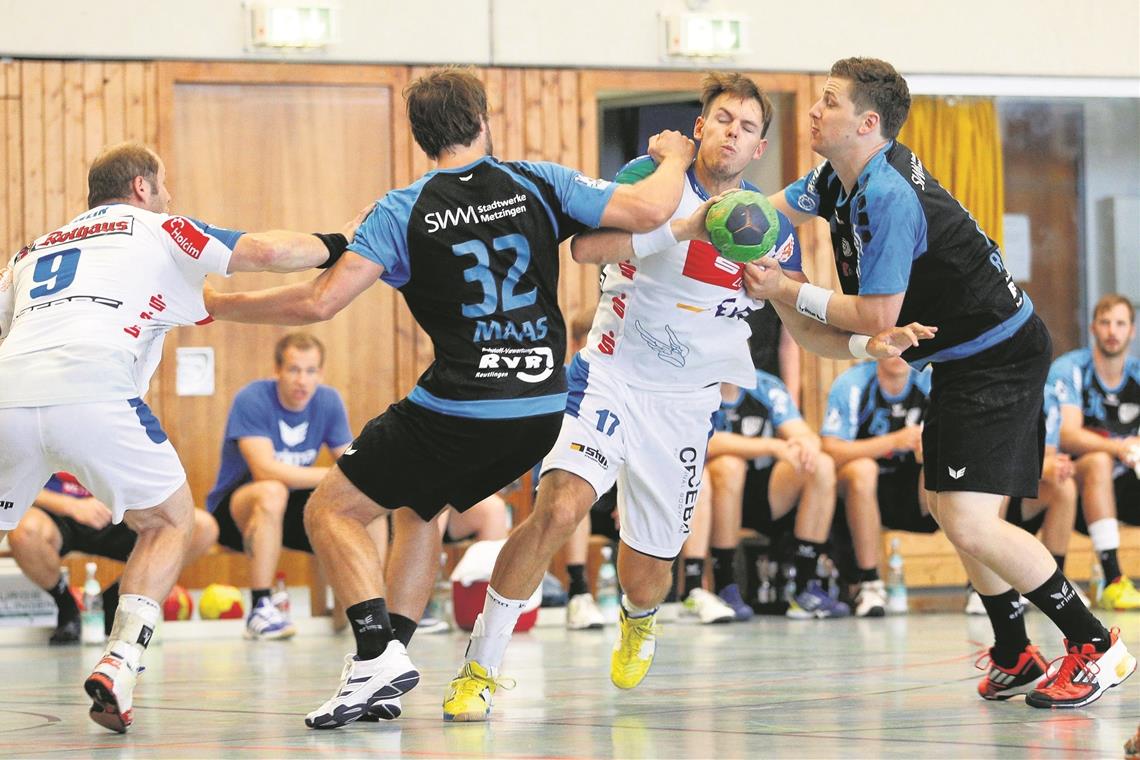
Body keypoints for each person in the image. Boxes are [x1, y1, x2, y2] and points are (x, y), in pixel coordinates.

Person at [202, 66, 697, 729]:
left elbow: (320, 301)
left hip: (462, 408)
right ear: (483, 120)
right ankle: (388, 670)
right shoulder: (538, 180)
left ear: (418, 135)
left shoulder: (402, 209)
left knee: (330, 510)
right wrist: (673, 158)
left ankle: (374, 653)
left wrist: (221, 308)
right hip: (539, 411)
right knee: (418, 509)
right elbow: (649, 209)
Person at [440, 71, 919, 723]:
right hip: (607, 377)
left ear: (758, 151)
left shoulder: (770, 227)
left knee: (650, 573)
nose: (733, 132)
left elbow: (807, 329)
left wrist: (868, 348)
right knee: (557, 509)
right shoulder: (654, 178)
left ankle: (638, 619)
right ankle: (480, 668)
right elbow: (585, 247)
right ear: (700, 127)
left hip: (685, 406)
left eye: (748, 127)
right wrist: (686, 227)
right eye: (723, 118)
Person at [751, 57, 1133, 708]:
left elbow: (876, 318)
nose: (814, 112)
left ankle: (1096, 644)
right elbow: (768, 213)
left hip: (999, 355)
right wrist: (698, 218)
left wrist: (785, 287)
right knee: (947, 506)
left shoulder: (889, 197)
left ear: (867, 123)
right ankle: (1014, 651)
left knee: (970, 520)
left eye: (829, 103)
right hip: (961, 359)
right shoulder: (834, 176)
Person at [0, 141, 361, 733]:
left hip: (8, 393)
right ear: (142, 187)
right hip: (94, 387)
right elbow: (267, 251)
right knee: (172, 521)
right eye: (164, 183)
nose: (170, 193)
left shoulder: (34, 248)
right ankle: (121, 661)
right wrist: (339, 243)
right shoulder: (155, 227)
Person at [205, 331, 353, 640]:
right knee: (273, 490)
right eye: (294, 369)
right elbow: (264, 470)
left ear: (320, 373)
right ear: (278, 370)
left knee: (355, 499)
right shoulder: (253, 398)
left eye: (310, 371)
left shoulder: (328, 401)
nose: (302, 380)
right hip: (235, 510)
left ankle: (363, 607)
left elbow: (352, 463)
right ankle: (260, 607)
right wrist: (335, 475)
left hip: (291, 506)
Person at [684, 368, 846, 622]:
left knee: (821, 464)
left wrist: (804, 445)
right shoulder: (693, 384)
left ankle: (805, 587)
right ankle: (725, 585)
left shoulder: (766, 386)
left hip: (764, 494)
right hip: (712, 496)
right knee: (729, 465)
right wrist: (771, 445)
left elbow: (802, 433)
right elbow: (703, 442)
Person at [9, 473, 218, 644]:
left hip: (119, 509)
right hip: (55, 513)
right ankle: (67, 607)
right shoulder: (35, 422)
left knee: (202, 528)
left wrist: (127, 500)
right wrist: (70, 505)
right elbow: (10, 480)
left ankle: (114, 602)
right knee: (23, 531)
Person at [821, 357, 931, 617]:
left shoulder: (929, 380)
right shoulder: (853, 383)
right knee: (863, 470)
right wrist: (894, 441)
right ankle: (869, 583)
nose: (899, 354)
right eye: (892, 347)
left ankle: (979, 587)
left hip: (908, 487)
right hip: (856, 490)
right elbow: (830, 449)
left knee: (954, 466)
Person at [1050, 293, 1140, 610]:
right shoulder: (1071, 369)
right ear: (1092, 328)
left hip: (1125, 486)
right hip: (1070, 483)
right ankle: (1114, 578)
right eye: (1105, 322)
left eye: (1120, 323)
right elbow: (1067, 435)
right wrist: (1118, 446)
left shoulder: (1137, 374)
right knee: (1100, 460)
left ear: (1132, 330)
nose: (1112, 331)